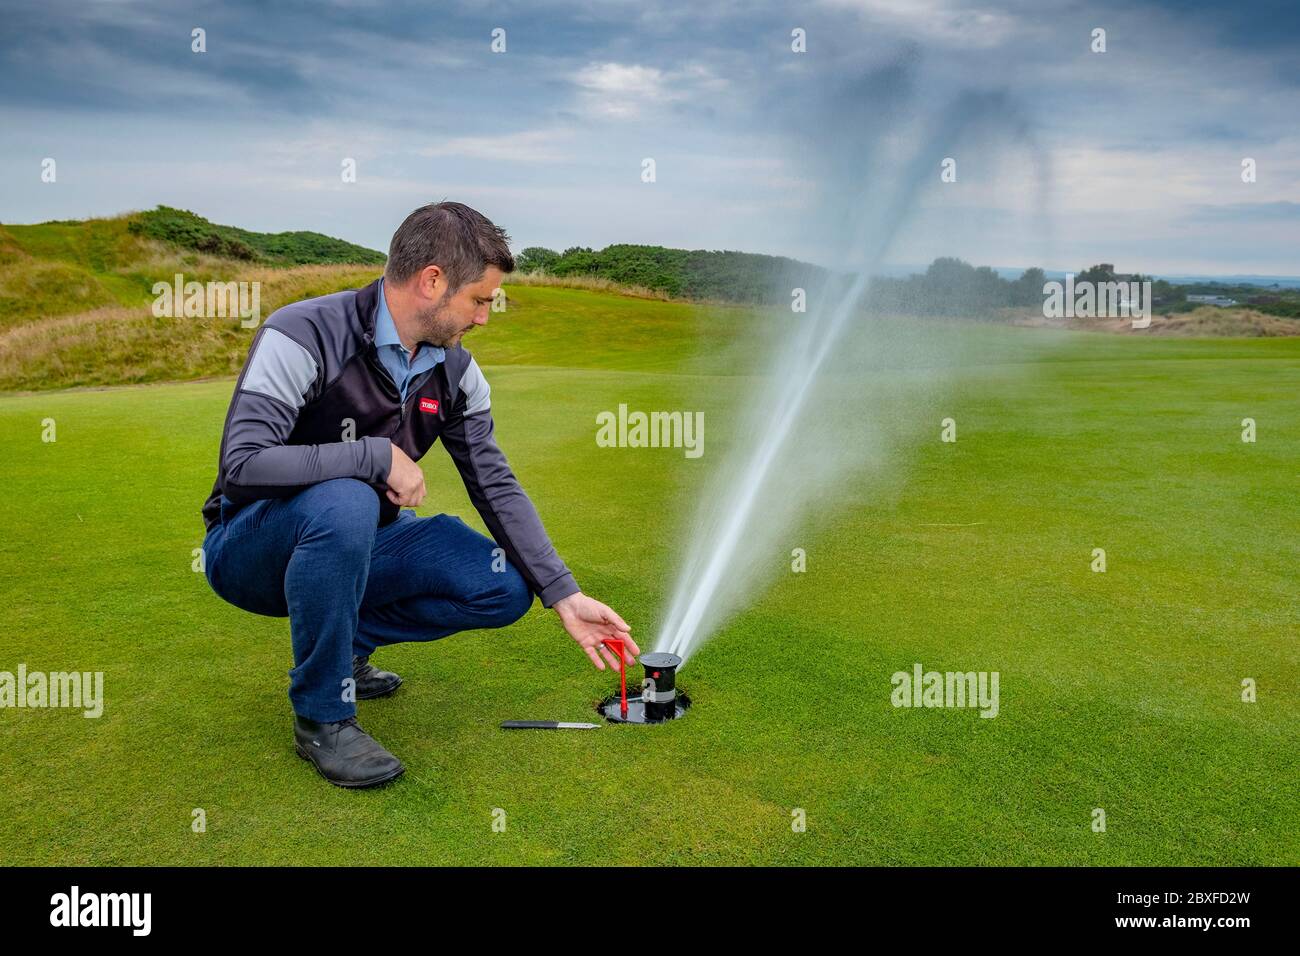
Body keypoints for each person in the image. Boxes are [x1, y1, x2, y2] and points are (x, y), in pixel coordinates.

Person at [200, 202, 638, 788]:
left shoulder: (457, 372)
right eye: (480, 300)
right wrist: (374, 455)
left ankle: (344, 647)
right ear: (432, 280)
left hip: (362, 545)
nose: (485, 317)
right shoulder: (300, 333)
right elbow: (243, 466)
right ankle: (322, 717)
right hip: (250, 550)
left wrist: (563, 594)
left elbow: (494, 483)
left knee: (504, 587)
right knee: (348, 498)